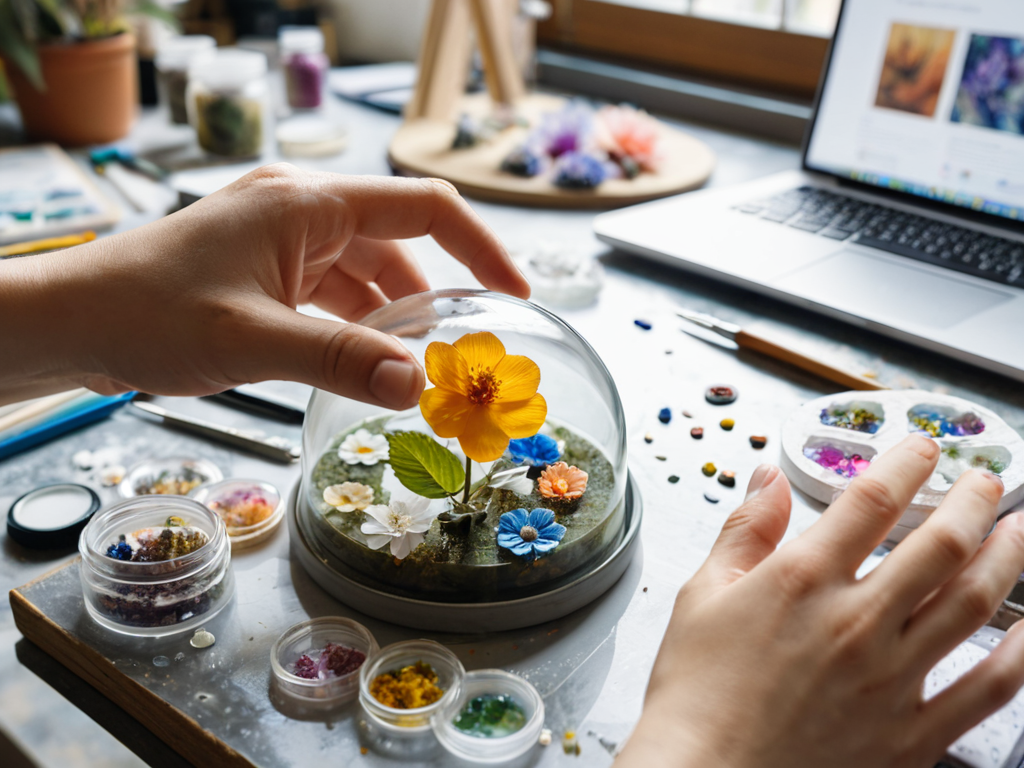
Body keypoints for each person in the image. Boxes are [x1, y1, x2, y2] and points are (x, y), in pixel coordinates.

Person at [3, 166, 1024, 766]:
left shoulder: (518, 437)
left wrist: (83, 316)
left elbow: (511, 452)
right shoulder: (428, 424)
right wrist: (710, 741)